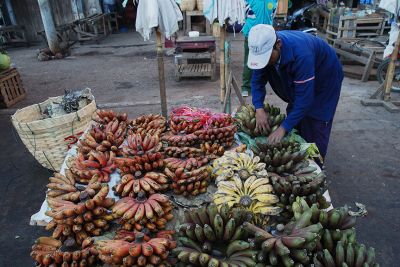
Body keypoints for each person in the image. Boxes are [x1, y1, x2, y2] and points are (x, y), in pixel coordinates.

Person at [247, 24, 343, 159]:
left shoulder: (301, 54)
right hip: (302, 74)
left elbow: (304, 99)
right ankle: (298, 153)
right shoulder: (264, 51)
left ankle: (316, 164)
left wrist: (283, 128)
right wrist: (259, 108)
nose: (264, 62)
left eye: (267, 57)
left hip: (325, 79)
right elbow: (257, 81)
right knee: (296, 117)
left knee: (316, 121)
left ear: (278, 44)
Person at [241, 0, 277, 97]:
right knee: (248, 61)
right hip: (251, 34)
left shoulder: (273, 1)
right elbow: (244, 14)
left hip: (266, 36)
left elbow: (272, 15)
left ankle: (259, 86)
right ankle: (246, 87)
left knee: (265, 62)